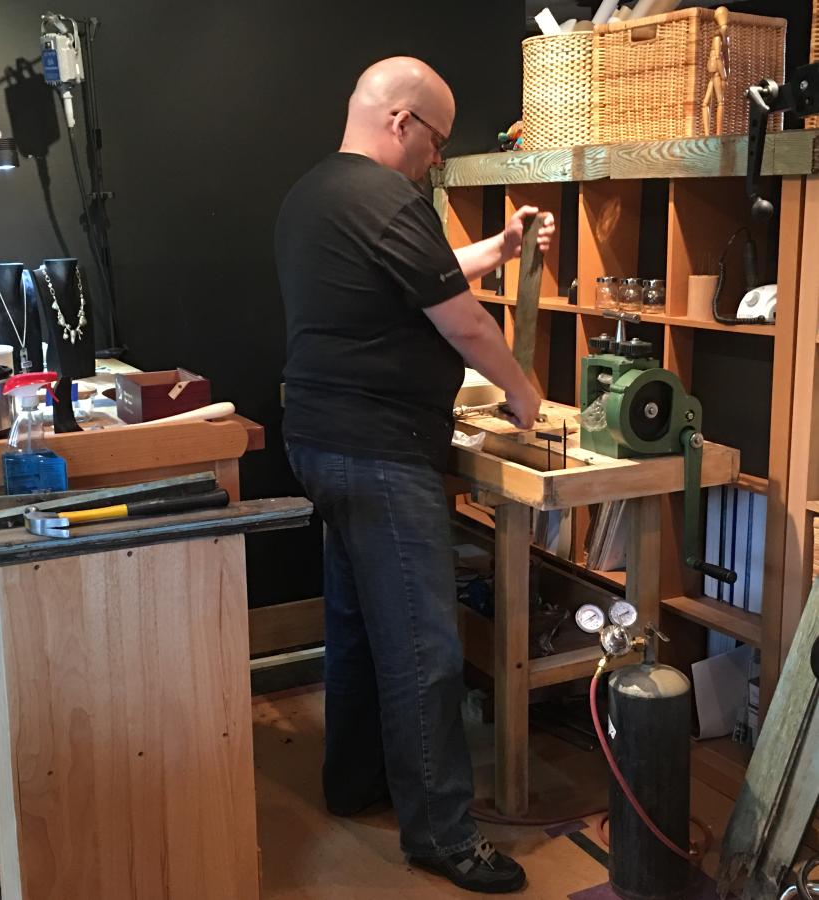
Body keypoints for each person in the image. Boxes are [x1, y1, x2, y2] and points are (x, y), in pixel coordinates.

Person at [275, 56, 554, 894]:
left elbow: (419, 281)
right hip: (380, 448)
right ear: (401, 123)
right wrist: (522, 389)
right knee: (427, 648)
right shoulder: (387, 198)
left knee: (360, 625)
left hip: (323, 441)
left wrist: (499, 249)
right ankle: (441, 832)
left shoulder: (315, 194)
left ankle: (355, 781)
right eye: (435, 141)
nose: (437, 159)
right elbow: (462, 324)